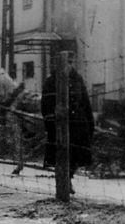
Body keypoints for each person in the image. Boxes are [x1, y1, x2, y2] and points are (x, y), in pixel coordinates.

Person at [41, 52, 95, 192]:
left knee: (75, 154)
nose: (69, 65)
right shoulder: (51, 81)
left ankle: (68, 179)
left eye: (71, 62)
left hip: (77, 124)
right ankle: (63, 182)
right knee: (60, 153)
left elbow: (85, 102)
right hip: (58, 125)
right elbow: (45, 104)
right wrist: (50, 122)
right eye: (66, 63)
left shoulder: (78, 80)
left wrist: (90, 123)